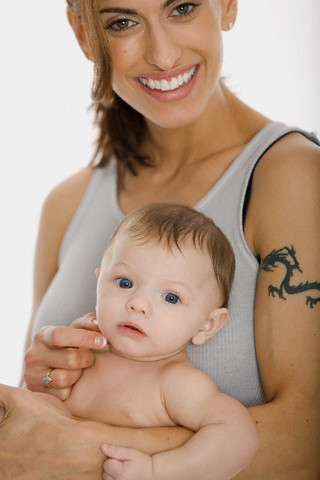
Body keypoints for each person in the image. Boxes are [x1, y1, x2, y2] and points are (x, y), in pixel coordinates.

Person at [1, 0, 319, 479]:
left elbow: (308, 443)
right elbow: (30, 440)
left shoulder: (292, 178)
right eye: (122, 22)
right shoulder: (66, 205)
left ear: (228, 5)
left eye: (183, 7)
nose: (164, 56)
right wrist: (48, 379)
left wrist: (83, 449)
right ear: (85, 35)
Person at [54, 203, 258, 479]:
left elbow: (238, 437)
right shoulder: (77, 355)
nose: (138, 304)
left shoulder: (175, 382)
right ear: (100, 282)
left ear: (206, 325)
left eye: (171, 297)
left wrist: (157, 471)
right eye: (124, 282)